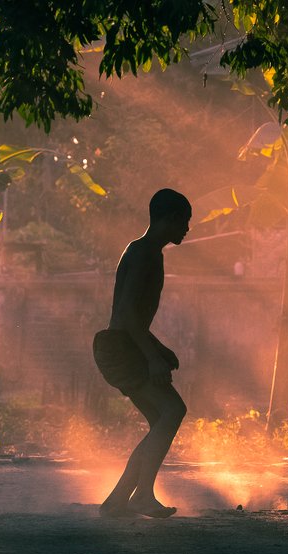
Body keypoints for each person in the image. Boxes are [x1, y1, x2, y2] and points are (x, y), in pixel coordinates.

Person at [94, 189, 190, 518]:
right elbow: (128, 315)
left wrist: (160, 350)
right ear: (168, 220)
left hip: (125, 343)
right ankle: (142, 495)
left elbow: (131, 317)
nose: (187, 229)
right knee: (173, 410)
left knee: (161, 420)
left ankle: (118, 499)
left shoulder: (147, 251)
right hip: (122, 347)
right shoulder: (144, 252)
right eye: (184, 221)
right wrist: (152, 357)